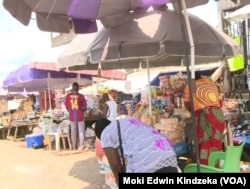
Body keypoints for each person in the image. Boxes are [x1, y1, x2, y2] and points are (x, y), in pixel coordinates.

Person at [94, 117, 178, 185]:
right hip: (166, 150)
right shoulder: (127, 120)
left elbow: (116, 165)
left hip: (146, 160)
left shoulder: (105, 133)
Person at [184, 72, 225, 166]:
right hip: (218, 115)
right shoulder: (209, 80)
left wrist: (193, 110)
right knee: (215, 143)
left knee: (205, 144)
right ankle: (215, 166)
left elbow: (187, 103)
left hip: (206, 115)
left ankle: (205, 169)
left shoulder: (190, 85)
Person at [64, 82, 87, 151]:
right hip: (80, 116)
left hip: (71, 116)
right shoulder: (81, 96)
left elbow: (66, 106)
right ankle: (81, 146)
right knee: (81, 131)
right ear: (78, 88)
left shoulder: (68, 96)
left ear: (72, 88)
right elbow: (84, 107)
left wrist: (70, 111)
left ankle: (73, 146)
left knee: (73, 131)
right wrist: (82, 111)